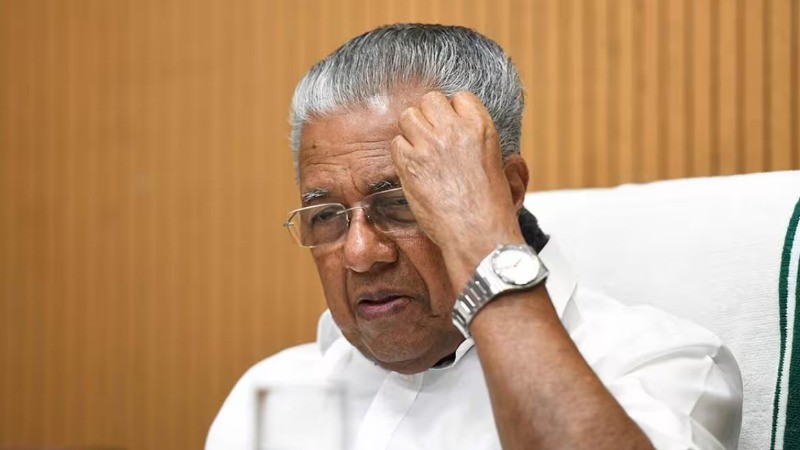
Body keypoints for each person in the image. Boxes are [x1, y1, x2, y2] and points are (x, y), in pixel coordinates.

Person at [206, 24, 743, 450]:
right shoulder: (269, 395)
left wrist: (486, 239)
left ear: (505, 193)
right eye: (326, 215)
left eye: (401, 203)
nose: (360, 253)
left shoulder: (656, 364)